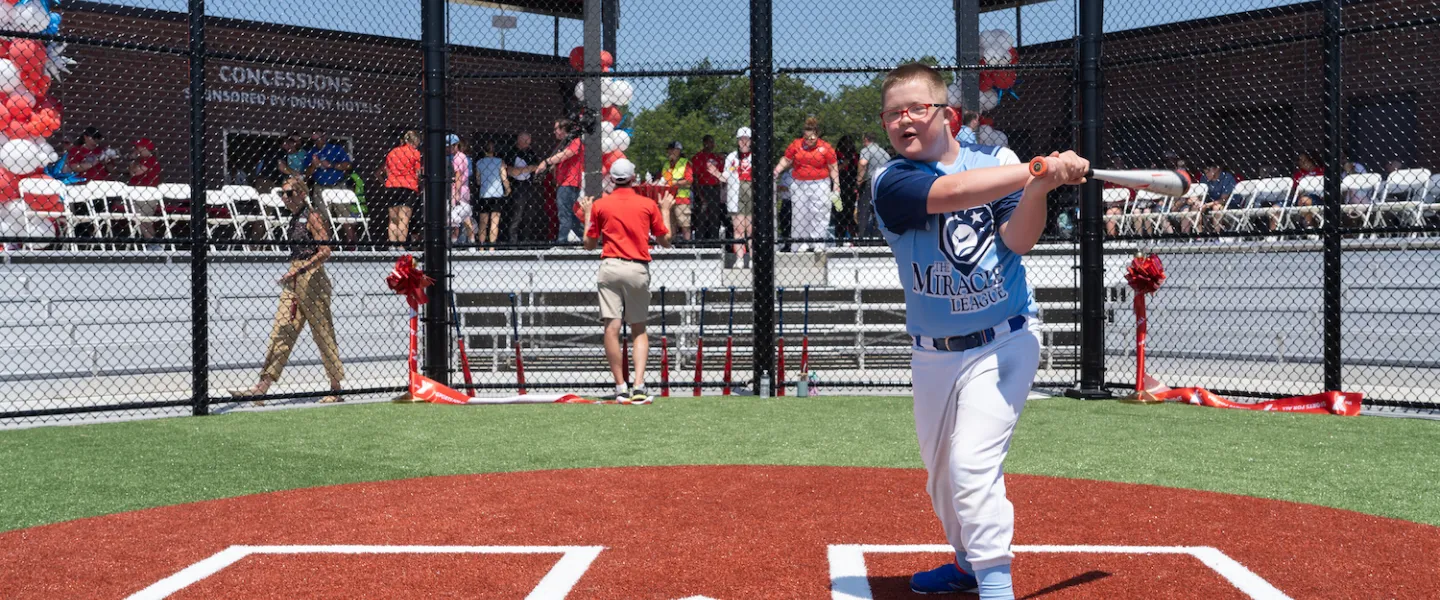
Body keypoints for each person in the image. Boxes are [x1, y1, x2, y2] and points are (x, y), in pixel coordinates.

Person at [870, 62, 1088, 600]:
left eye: (917, 108)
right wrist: (1041, 167)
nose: (905, 121)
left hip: (1005, 338)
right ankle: (968, 564)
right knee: (942, 479)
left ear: (947, 114)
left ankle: (994, 584)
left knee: (971, 464)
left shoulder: (998, 160)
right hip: (933, 354)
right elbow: (956, 192)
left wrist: (1039, 187)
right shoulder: (890, 179)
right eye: (893, 113)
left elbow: (1019, 241)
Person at [227, 176, 344, 405]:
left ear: (301, 194)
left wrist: (300, 271)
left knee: (322, 332)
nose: (284, 197)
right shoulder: (293, 218)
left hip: (312, 278)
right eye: (282, 193)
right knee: (282, 328)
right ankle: (261, 387)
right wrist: (294, 273)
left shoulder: (312, 216)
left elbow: (326, 251)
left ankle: (336, 387)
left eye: (289, 193)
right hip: (294, 276)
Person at [577, 158, 674, 403]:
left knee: (612, 326)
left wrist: (588, 213)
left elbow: (589, 245)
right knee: (638, 328)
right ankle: (638, 385)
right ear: (633, 178)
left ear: (612, 178)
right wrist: (665, 210)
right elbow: (665, 241)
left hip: (610, 266)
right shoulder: (647, 204)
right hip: (636, 268)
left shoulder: (601, 205)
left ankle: (621, 385)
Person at [773, 117, 839, 251]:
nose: (809, 140)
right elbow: (786, 159)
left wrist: (836, 184)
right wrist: (777, 169)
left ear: (817, 134)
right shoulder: (796, 144)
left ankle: (818, 243)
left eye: (812, 137)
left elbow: (833, 166)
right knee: (799, 214)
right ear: (804, 134)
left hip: (820, 183)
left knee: (819, 212)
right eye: (807, 137)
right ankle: (800, 244)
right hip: (799, 183)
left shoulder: (825, 147)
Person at [534, 118, 584, 243]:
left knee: (564, 214)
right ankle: (585, 238)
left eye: (556, 128)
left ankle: (562, 242)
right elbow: (558, 161)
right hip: (564, 183)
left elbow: (566, 154)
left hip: (570, 182)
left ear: (563, 129)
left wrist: (546, 162)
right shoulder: (562, 144)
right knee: (569, 215)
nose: (554, 131)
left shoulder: (575, 141)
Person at [376, 130, 422, 243]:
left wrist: (387, 182)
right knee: (404, 219)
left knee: (393, 220)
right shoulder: (415, 153)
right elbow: (418, 173)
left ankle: (392, 245)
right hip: (408, 186)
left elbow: (386, 170)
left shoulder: (392, 152)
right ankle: (400, 246)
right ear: (415, 141)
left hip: (392, 185)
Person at [723, 127, 755, 267]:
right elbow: (725, 175)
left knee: (751, 230)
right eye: (740, 140)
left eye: (746, 139)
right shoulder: (731, 157)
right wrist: (716, 174)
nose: (743, 142)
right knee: (738, 230)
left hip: (751, 196)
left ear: (751, 141)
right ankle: (740, 259)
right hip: (735, 197)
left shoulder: (756, 156)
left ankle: (754, 259)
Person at [504, 132, 542, 243]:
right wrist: (528, 168)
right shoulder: (511, 152)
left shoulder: (531, 152)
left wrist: (524, 169)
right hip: (516, 187)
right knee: (516, 215)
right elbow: (511, 171)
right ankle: (513, 242)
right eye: (526, 141)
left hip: (529, 186)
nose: (528, 143)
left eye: (529, 141)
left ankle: (526, 240)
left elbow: (537, 167)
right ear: (519, 140)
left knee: (529, 215)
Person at [474, 140, 510, 250]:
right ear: (494, 151)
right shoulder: (500, 162)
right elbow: (504, 178)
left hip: (484, 194)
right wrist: (508, 189)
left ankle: (481, 247)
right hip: (497, 193)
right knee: (495, 221)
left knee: (483, 222)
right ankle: (491, 248)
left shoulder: (479, 163)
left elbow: (478, 180)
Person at [127, 138, 163, 247]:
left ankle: (152, 243)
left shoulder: (150, 160)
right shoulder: (142, 160)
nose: (136, 150)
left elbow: (135, 172)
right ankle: (152, 242)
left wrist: (132, 161)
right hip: (137, 193)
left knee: (141, 218)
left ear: (145, 148)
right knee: (144, 219)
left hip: (146, 194)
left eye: (138, 148)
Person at [856, 131, 891, 238]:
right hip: (883, 183)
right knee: (879, 211)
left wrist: (859, 180)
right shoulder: (884, 152)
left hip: (870, 181)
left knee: (864, 209)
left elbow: (863, 163)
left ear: (866, 139)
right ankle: (879, 237)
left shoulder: (866, 150)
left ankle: (862, 237)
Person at [692, 135, 726, 240]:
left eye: (712, 142)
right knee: (701, 216)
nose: (710, 145)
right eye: (708, 142)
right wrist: (699, 194)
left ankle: (714, 242)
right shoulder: (697, 157)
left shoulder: (717, 158)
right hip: (702, 188)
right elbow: (695, 178)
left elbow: (722, 174)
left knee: (715, 217)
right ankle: (699, 242)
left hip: (715, 189)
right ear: (704, 143)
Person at [659, 141, 694, 239]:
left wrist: (674, 183)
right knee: (670, 224)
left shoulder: (685, 163)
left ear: (678, 151)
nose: (670, 152)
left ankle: (687, 247)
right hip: (668, 198)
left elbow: (689, 180)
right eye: (669, 150)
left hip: (681, 198)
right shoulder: (666, 164)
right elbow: (663, 178)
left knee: (685, 225)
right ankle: (671, 247)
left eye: (672, 150)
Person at [447, 135, 474, 245]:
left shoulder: (457, 158)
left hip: (459, 190)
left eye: (452, 146)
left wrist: (456, 194)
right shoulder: (463, 157)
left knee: (456, 218)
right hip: (464, 189)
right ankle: (471, 242)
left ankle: (455, 242)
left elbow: (458, 176)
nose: (449, 148)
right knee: (463, 217)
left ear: (457, 145)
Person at [1197, 163, 1238, 234]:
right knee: (1196, 207)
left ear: (1217, 169)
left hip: (1229, 204)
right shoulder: (1204, 178)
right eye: (1205, 172)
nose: (1207, 174)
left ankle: (1217, 234)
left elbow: (1223, 199)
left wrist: (1207, 205)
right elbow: (1200, 196)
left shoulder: (1227, 177)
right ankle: (1199, 235)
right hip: (1210, 204)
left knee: (1216, 207)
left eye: (1209, 171)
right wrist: (1198, 202)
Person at [834, 135, 860, 241]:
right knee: (838, 212)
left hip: (851, 187)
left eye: (850, 143)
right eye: (846, 143)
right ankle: (839, 238)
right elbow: (833, 169)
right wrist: (843, 164)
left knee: (850, 212)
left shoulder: (856, 156)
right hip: (838, 187)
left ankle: (853, 237)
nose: (848, 145)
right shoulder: (837, 155)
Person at [1289, 152, 1324, 229]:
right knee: (1276, 207)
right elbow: (1294, 190)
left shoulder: (1321, 171)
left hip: (1318, 197)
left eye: (1304, 160)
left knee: (1304, 201)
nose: (1301, 163)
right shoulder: (1298, 175)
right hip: (1300, 198)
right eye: (1299, 160)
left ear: (1311, 160)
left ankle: (1309, 226)